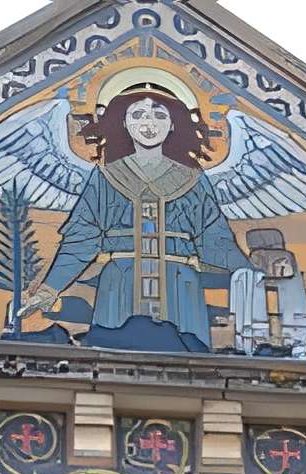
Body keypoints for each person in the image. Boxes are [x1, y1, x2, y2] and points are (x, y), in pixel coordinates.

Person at [18, 73, 259, 352]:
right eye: (138, 114)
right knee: (111, 362)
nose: (148, 123)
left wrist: (248, 272)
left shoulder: (193, 179)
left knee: (190, 363)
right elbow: (82, 239)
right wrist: (50, 289)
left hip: (179, 286)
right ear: (123, 122)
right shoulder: (106, 177)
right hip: (120, 284)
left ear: (173, 124)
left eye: (159, 115)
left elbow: (214, 240)